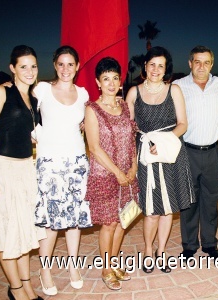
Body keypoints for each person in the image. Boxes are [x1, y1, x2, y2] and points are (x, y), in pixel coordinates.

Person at [0, 45, 44, 300]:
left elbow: (28, 133)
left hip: (25, 169)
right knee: (4, 231)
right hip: (1, 169)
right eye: (23, 66)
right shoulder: (1, 92)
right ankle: (15, 289)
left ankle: (27, 287)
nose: (29, 71)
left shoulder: (33, 100)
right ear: (13, 68)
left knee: (22, 231)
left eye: (33, 66)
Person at [126, 46, 194, 273]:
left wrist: (162, 141)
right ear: (145, 66)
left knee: (167, 210)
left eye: (161, 65)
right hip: (146, 157)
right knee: (151, 210)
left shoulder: (173, 90)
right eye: (152, 64)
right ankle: (148, 249)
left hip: (170, 155)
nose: (156, 69)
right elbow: (127, 126)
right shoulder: (134, 92)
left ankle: (162, 250)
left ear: (166, 69)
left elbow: (182, 124)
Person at [34, 46, 92, 295]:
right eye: (61, 64)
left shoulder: (83, 93)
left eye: (70, 64)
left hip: (77, 162)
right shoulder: (42, 89)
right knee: (49, 221)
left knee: (74, 220)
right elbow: (25, 114)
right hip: (49, 163)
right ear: (54, 65)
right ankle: (45, 269)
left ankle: (73, 266)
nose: (66, 69)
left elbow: (84, 123)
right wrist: (33, 134)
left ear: (78, 66)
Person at [173, 46, 218, 259]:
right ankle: (189, 246)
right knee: (189, 201)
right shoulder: (178, 86)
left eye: (206, 62)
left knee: (210, 201)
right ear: (190, 63)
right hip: (187, 151)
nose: (201, 66)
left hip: (213, 152)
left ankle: (209, 244)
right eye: (197, 62)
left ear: (212, 65)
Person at [84, 57, 138, 290]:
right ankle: (106, 269)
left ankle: (114, 263)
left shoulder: (124, 106)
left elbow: (132, 139)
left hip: (127, 173)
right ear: (98, 82)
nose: (111, 83)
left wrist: (134, 167)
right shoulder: (92, 109)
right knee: (108, 224)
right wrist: (117, 171)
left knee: (121, 222)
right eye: (106, 78)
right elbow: (94, 147)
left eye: (115, 78)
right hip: (105, 174)